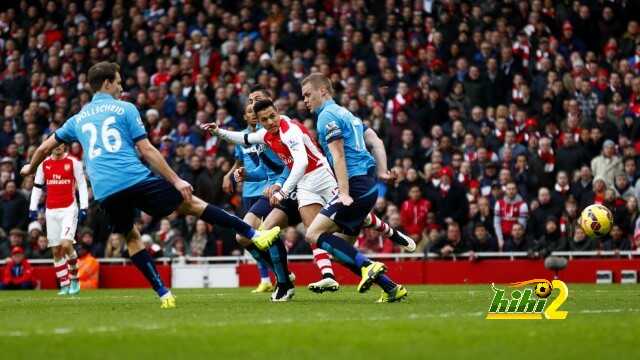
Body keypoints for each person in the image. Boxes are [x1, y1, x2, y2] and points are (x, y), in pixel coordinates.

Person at [20, 62, 281, 308]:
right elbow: (146, 149)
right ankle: (255, 235)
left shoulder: (77, 119)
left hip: (105, 191)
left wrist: (30, 168)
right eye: (119, 82)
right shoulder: (125, 108)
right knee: (192, 204)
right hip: (134, 178)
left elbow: (44, 147)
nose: (122, 87)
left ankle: (163, 293)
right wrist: (176, 179)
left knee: (131, 237)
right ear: (108, 83)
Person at [300, 73, 408, 303]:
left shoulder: (326, 116)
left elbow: (338, 155)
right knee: (341, 251)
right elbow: (376, 141)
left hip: (355, 187)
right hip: (369, 186)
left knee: (313, 234)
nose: (305, 101)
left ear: (323, 91)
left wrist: (344, 192)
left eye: (308, 95)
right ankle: (391, 289)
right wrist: (382, 172)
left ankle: (368, 266)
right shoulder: (347, 114)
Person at [29, 142, 88, 295]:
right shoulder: (44, 164)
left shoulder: (73, 162)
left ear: (65, 146)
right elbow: (37, 186)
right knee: (56, 250)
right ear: (50, 147)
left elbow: (81, 184)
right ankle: (64, 284)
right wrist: (32, 207)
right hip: (51, 211)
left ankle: (75, 279)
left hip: (69, 209)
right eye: (55, 144)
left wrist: (84, 207)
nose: (58, 146)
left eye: (61, 144)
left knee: (66, 244)